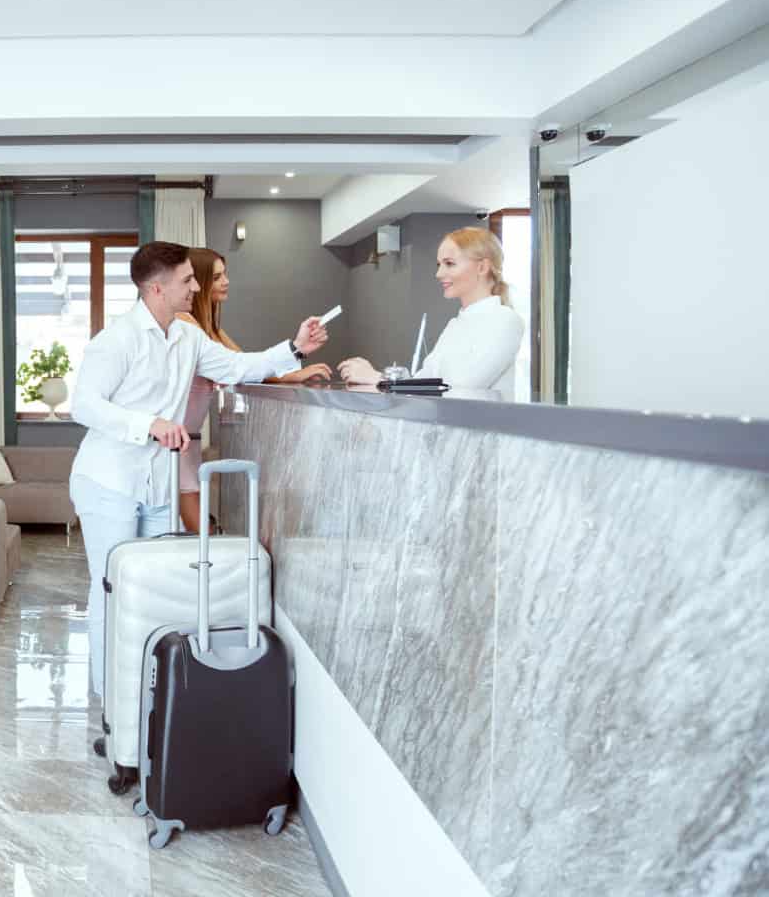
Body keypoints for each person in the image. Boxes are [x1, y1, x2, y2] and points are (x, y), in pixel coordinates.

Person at [69, 241, 330, 697]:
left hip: (159, 486)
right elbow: (85, 406)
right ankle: (111, 698)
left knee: (153, 590)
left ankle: (146, 698)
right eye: (187, 280)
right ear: (156, 288)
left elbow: (237, 367)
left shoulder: (188, 338)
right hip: (109, 483)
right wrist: (148, 424)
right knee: (111, 588)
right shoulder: (116, 340)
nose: (196, 287)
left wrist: (295, 348)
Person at [175, 247, 332, 535]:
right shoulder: (185, 323)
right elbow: (235, 367)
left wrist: (292, 372)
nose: (226, 282)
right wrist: (295, 351)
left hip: (188, 436)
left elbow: (242, 363)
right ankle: (211, 559)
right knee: (190, 509)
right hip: (175, 436)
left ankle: (211, 556)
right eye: (217, 277)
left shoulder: (209, 328)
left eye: (225, 274)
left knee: (191, 505)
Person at [338, 227, 525, 393]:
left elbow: (461, 387)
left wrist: (380, 379)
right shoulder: (455, 324)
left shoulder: (505, 320)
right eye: (439, 265)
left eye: (449, 263)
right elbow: (425, 379)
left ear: (482, 267)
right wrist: (385, 377)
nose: (439, 274)